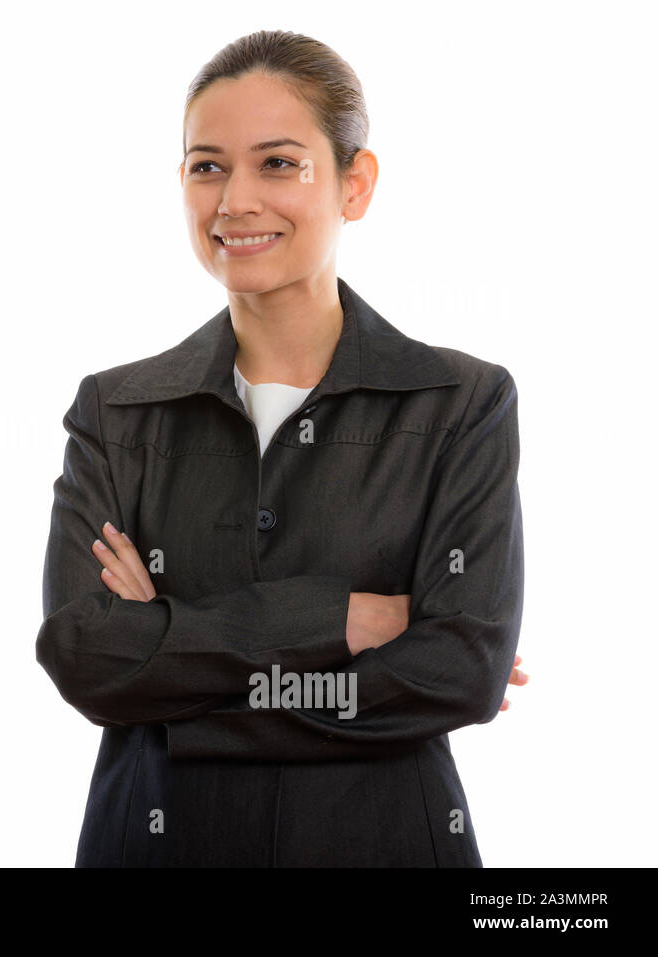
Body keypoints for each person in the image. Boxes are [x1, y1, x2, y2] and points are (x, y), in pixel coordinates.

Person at [35, 30, 528, 867]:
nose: (234, 201)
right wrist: (336, 620)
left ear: (355, 183)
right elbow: (85, 656)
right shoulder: (115, 412)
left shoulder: (460, 403)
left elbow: (459, 670)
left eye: (278, 163)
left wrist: (172, 659)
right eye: (207, 166)